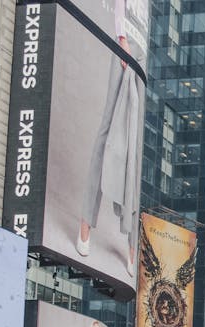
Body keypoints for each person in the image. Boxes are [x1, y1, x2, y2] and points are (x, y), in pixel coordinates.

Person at [77, 0, 141, 277]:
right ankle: (85, 221)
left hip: (143, 54)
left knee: (135, 145)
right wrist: (122, 39)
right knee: (107, 130)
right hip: (124, 47)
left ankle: (131, 244)